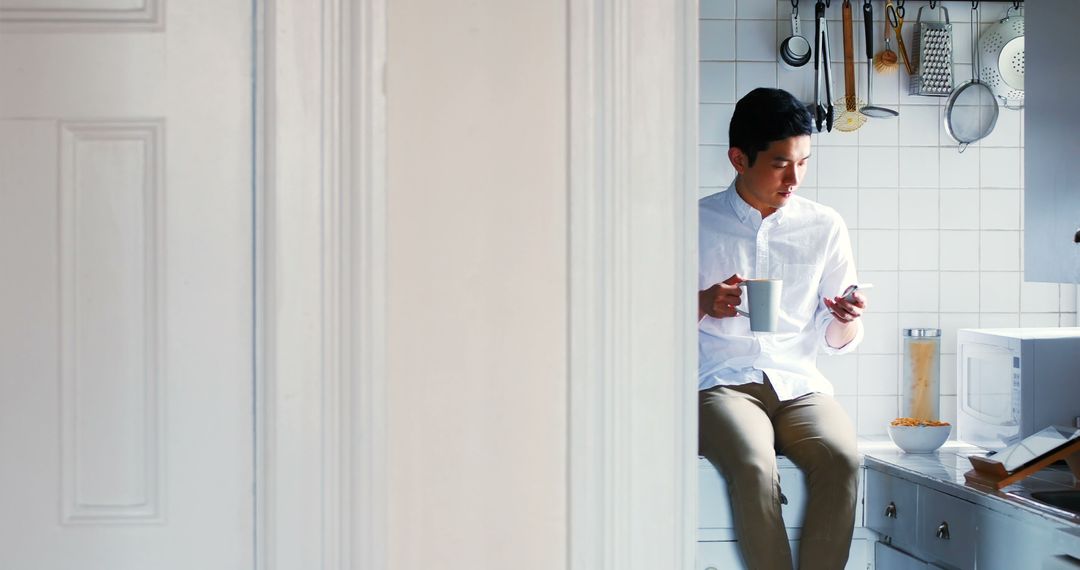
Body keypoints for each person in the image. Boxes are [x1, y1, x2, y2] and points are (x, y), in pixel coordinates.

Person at [698, 87, 868, 570]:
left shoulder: (825, 225)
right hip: (721, 382)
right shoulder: (694, 223)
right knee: (755, 465)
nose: (795, 178)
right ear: (738, 158)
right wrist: (704, 302)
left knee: (842, 459)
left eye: (804, 162)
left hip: (799, 385)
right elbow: (646, 325)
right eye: (779, 163)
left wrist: (845, 319)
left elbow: (837, 343)